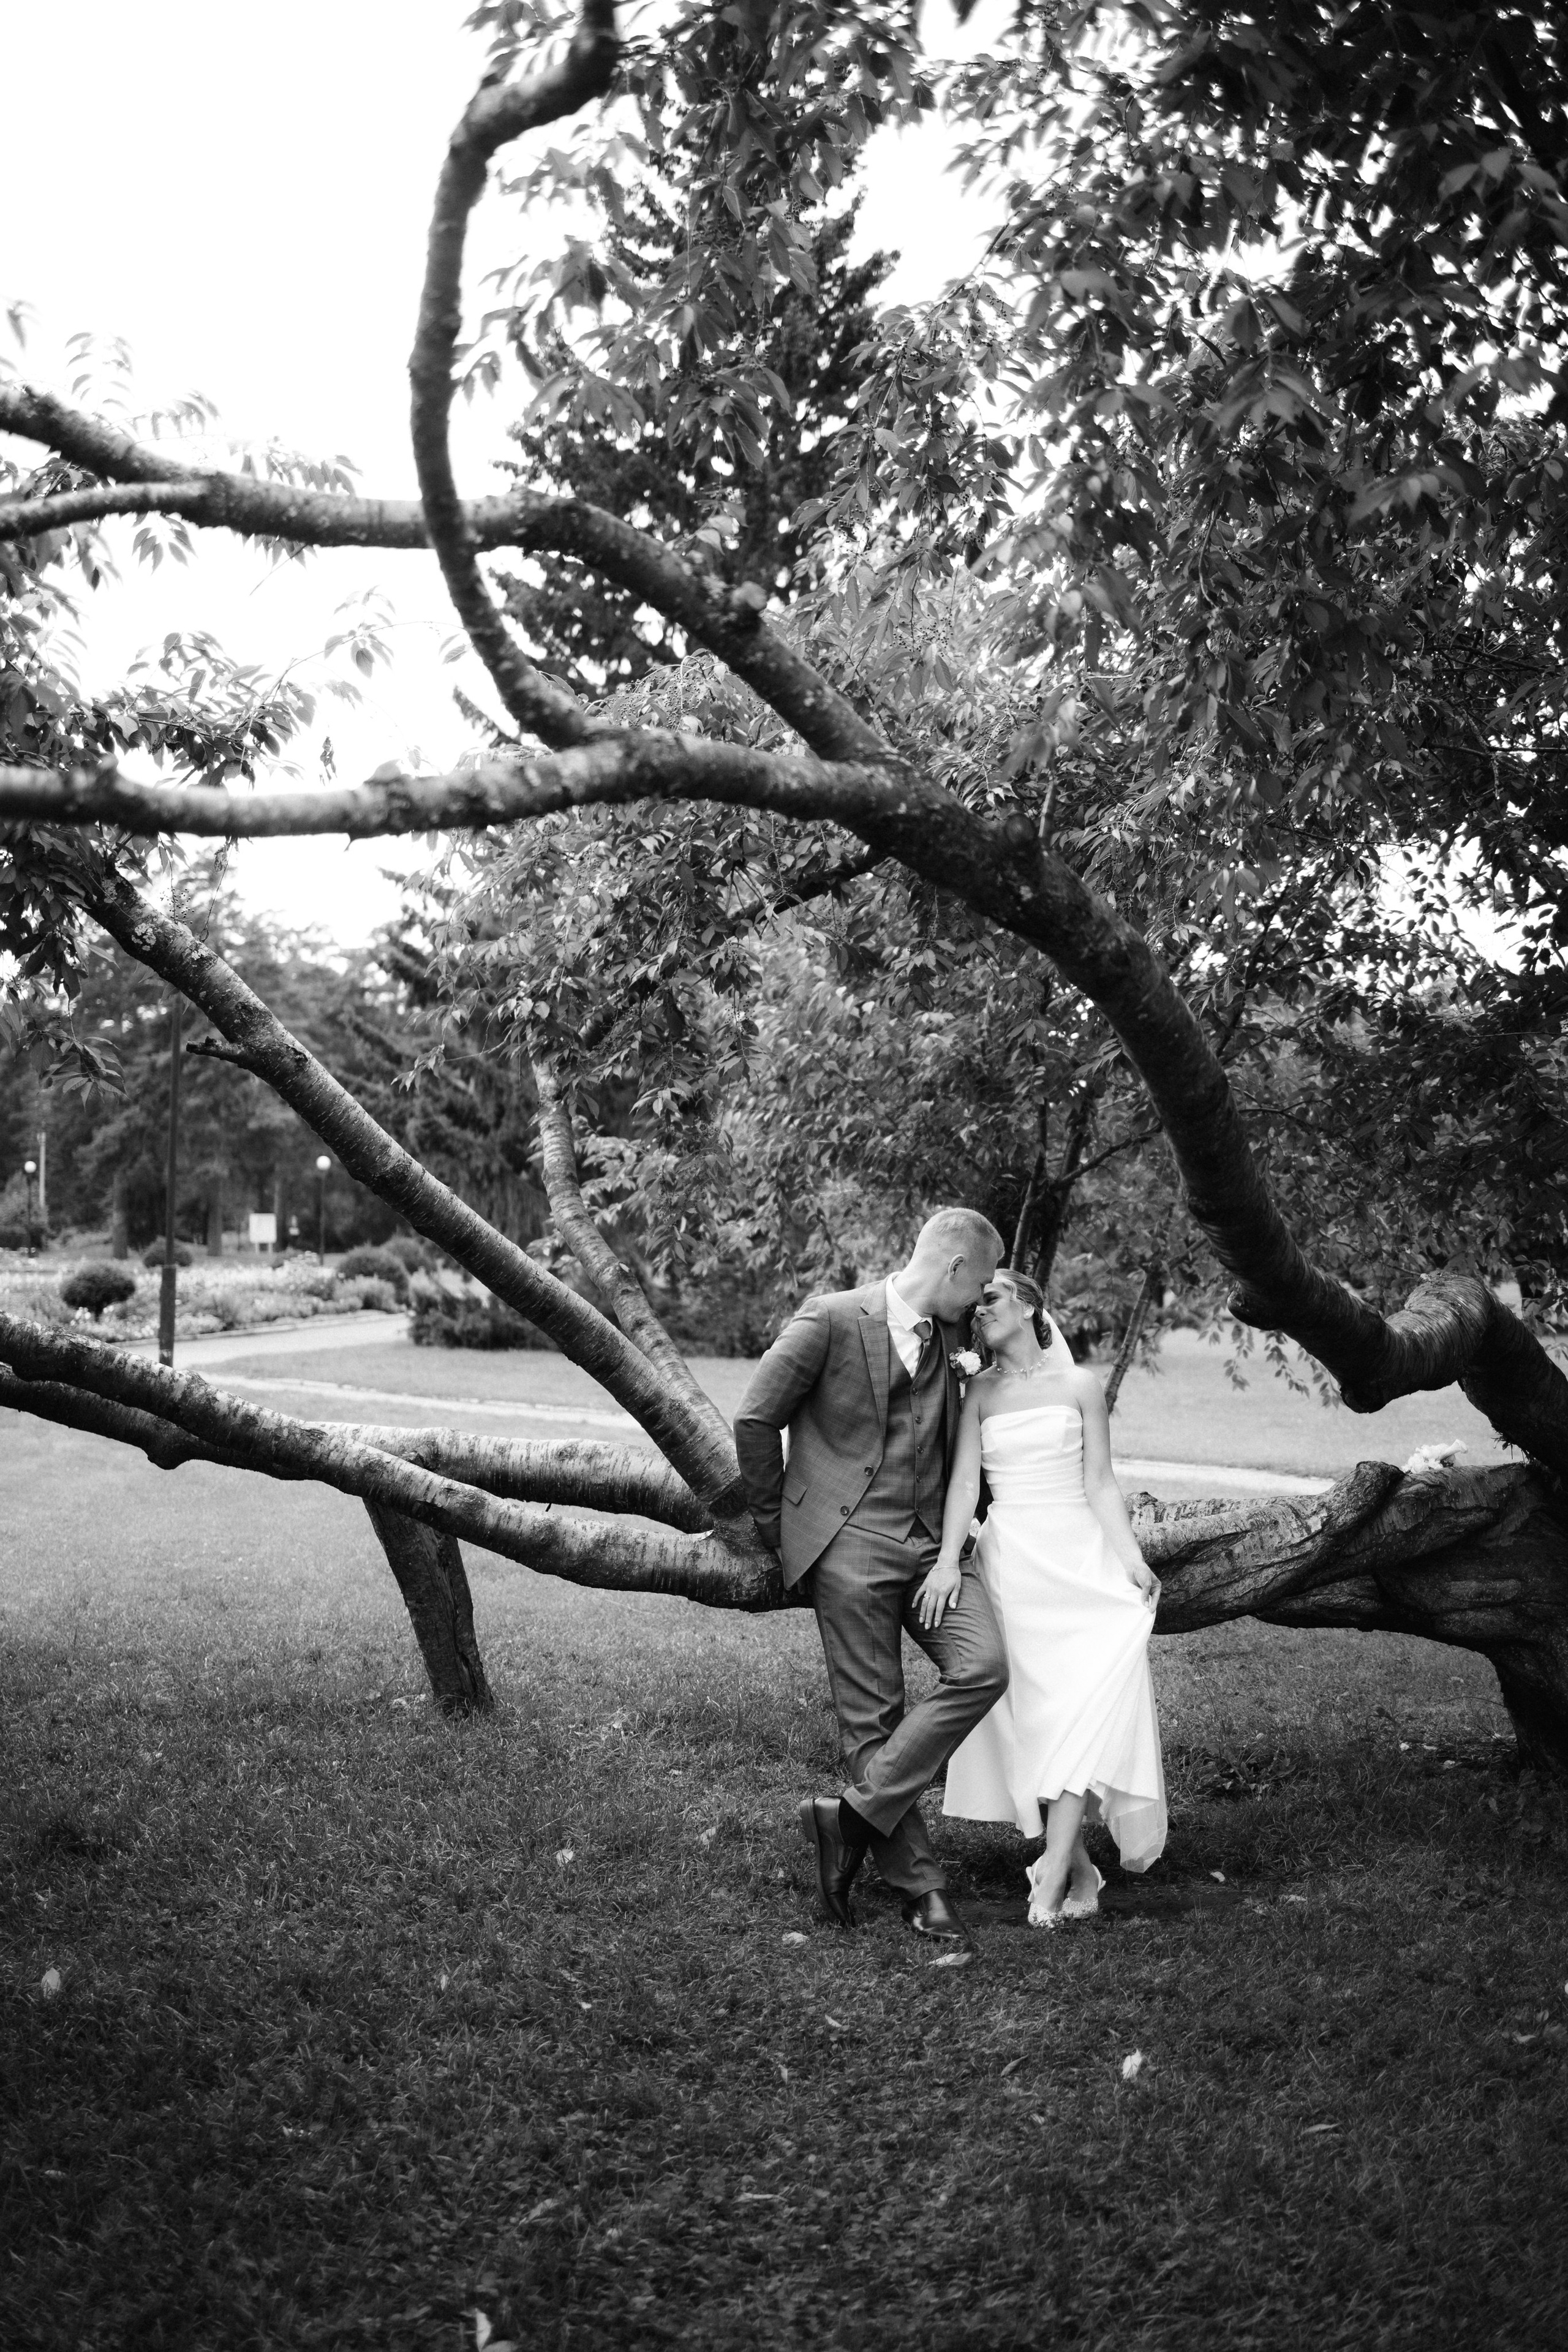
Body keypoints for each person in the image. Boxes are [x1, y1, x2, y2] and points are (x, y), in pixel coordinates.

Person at [734, 1208, 1010, 1958]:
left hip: (933, 1549)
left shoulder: (960, 1338)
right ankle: (923, 1889)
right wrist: (777, 1526)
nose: (981, 1300)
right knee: (873, 1720)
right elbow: (756, 1420)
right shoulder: (828, 1319)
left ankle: (847, 1817)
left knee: (983, 1665)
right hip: (847, 1542)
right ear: (953, 1267)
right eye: (980, 1284)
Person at [934, 1268, 1167, 1924]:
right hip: (1015, 1566)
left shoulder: (1080, 1385)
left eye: (991, 1299)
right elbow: (961, 1489)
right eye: (974, 1305)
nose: (979, 1312)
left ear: (1030, 1305)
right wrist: (949, 1562)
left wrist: (1130, 1557)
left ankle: (1049, 1880)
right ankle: (1076, 1870)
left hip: (1079, 1561)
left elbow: (1100, 1482)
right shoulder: (976, 1392)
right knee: (1042, 1725)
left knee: (1085, 1708)